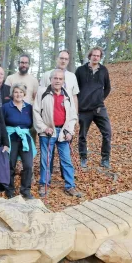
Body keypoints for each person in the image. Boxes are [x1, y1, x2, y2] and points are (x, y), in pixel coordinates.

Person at [34, 69, 82, 198]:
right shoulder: (42, 92)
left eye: (60, 79)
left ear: (63, 81)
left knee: (66, 160)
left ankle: (70, 186)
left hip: (63, 132)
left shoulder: (67, 95)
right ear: (50, 79)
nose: (57, 81)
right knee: (46, 160)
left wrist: (69, 131)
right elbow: (36, 112)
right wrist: (44, 128)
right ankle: (44, 184)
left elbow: (72, 115)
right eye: (55, 78)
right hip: (48, 132)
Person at [75, 47, 112, 169]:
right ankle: (83, 158)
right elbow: (75, 89)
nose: (95, 57)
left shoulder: (103, 70)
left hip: (99, 108)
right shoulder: (80, 70)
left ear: (100, 57)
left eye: (98, 56)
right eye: (94, 55)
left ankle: (105, 159)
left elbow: (107, 88)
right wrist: (80, 103)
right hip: (84, 109)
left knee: (107, 133)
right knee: (82, 135)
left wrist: (100, 99)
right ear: (89, 56)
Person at [1, 83, 36, 199]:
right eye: (16, 92)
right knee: (10, 164)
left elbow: (31, 123)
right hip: (11, 137)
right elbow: (1, 124)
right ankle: (9, 189)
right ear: (12, 94)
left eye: (21, 92)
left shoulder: (29, 107)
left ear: (24, 94)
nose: (18, 94)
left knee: (28, 164)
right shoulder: (6, 107)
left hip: (25, 138)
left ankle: (25, 190)